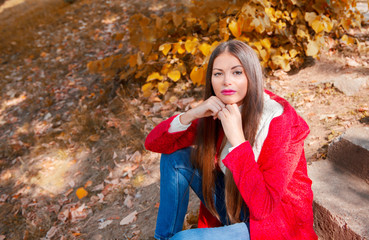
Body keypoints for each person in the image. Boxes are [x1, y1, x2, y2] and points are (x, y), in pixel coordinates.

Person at [145, 40, 317, 240]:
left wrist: (237, 140)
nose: (226, 81)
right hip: (234, 204)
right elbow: (154, 144)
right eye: (218, 74)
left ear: (251, 75)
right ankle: (163, 237)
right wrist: (192, 114)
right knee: (174, 159)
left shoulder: (279, 119)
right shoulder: (218, 108)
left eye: (237, 72)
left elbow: (263, 207)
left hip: (271, 225)